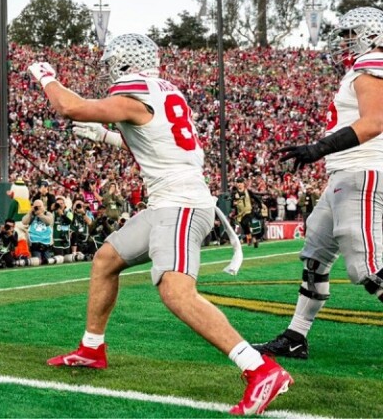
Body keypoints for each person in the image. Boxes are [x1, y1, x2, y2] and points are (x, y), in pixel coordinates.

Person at [28, 33, 289, 415]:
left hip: (180, 205)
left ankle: (260, 368)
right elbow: (160, 143)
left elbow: (69, 107)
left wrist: (45, 76)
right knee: (106, 260)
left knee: (175, 292)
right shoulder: (164, 92)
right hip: (169, 201)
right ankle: (91, 347)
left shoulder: (135, 94)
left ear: (123, 62)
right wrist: (105, 136)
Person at [254, 7, 383, 361]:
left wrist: (318, 148)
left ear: (371, 35)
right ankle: (296, 336)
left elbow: (374, 122)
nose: (344, 41)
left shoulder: (371, 63)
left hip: (363, 170)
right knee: (316, 256)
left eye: (349, 34)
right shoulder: (361, 67)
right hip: (345, 174)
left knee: (369, 269)